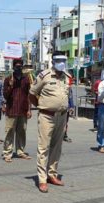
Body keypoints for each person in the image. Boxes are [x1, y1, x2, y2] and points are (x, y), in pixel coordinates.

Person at [29, 51, 70, 193]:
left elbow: (65, 97)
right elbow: (32, 94)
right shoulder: (44, 76)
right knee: (44, 148)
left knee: (57, 147)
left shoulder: (66, 77)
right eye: (59, 60)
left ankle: (52, 174)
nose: (62, 63)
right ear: (53, 62)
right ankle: (42, 179)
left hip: (62, 116)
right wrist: (43, 107)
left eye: (64, 60)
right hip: (47, 116)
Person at [2, 59, 32, 162]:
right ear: (13, 67)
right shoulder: (8, 79)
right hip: (11, 110)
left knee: (22, 132)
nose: (18, 68)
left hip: (23, 110)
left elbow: (29, 95)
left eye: (20, 67)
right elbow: (5, 96)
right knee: (9, 132)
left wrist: (29, 109)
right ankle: (7, 153)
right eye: (16, 66)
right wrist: (10, 85)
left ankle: (20, 151)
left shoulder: (26, 79)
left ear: (22, 67)